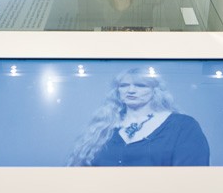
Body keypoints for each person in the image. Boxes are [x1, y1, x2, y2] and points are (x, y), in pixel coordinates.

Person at [67, 68, 210, 166]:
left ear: (155, 91)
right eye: (124, 85)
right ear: (117, 91)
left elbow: (193, 179)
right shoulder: (102, 127)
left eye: (140, 85)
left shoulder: (182, 126)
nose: (131, 90)